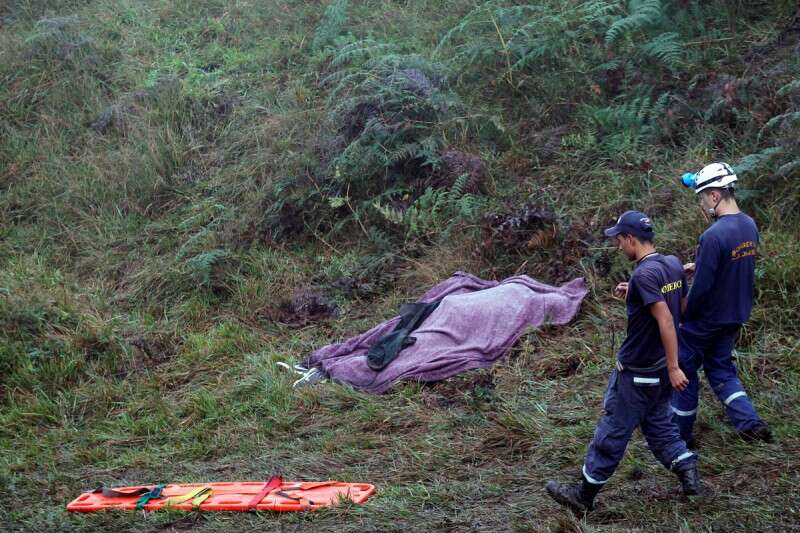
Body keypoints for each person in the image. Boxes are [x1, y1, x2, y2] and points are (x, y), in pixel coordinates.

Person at [545, 211, 700, 513]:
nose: (618, 246)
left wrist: (674, 367)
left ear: (631, 239)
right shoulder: (671, 264)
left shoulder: (643, 275)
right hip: (658, 372)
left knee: (612, 432)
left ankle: (583, 496)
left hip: (637, 372)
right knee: (660, 426)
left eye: (619, 240)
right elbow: (680, 305)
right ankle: (688, 470)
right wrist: (636, 293)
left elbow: (666, 319)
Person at [671, 163, 771, 446]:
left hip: (707, 319)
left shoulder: (713, 235)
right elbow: (735, 264)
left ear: (714, 195)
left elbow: (702, 288)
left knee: (683, 368)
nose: (702, 204)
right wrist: (700, 263)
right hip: (735, 314)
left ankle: (679, 436)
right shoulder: (749, 225)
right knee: (721, 369)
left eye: (702, 197)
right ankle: (750, 423)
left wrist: (685, 314)